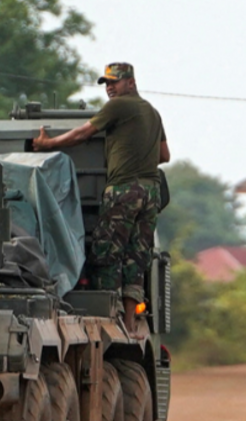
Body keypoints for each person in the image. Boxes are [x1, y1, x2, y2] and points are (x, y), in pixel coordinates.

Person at [32, 62, 169, 336]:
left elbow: (84, 133)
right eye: (106, 83)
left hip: (123, 189)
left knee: (106, 253)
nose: (109, 88)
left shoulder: (119, 106)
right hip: (150, 192)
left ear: (130, 82)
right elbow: (164, 156)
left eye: (114, 82)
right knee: (137, 256)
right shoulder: (152, 113)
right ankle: (130, 322)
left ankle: (110, 320)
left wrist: (47, 145)